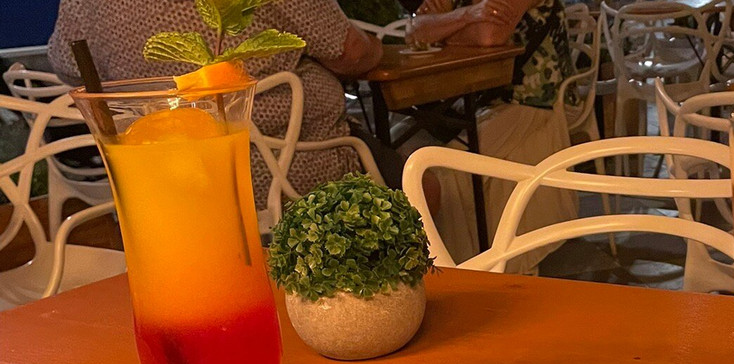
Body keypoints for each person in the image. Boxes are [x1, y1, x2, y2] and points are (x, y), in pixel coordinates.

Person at [47, 0, 401, 208]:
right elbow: (351, 53)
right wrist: (378, 48)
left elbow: (66, 63)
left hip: (162, 185)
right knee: (420, 180)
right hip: (287, 169)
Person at [408, 0, 578, 273]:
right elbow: (415, 30)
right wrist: (468, 15)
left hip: (532, 102)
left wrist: (445, 28)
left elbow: (489, 35)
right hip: (476, 99)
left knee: (441, 167)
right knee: (405, 146)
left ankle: (458, 270)